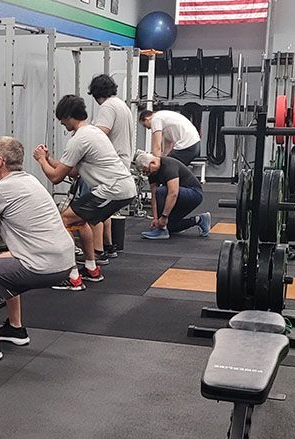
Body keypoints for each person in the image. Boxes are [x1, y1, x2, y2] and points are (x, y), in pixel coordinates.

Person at [0, 137, 75, 361]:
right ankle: (15, 328)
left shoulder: (1, 189)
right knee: (4, 258)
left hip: (42, 266)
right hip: (65, 263)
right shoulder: (28, 180)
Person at [33, 95, 137, 290]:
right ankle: (91, 269)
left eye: (62, 120)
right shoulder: (93, 132)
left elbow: (55, 177)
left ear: (68, 116)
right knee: (79, 221)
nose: (62, 124)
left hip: (112, 190)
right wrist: (49, 159)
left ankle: (72, 276)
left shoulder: (79, 139)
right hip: (120, 188)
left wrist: (40, 160)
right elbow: (71, 171)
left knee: (63, 220)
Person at [88, 74, 135, 259]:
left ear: (97, 94)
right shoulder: (122, 105)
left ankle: (98, 252)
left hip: (111, 165)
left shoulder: (107, 106)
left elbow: (98, 136)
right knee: (107, 208)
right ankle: (108, 245)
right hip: (122, 162)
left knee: (95, 208)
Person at [135, 151, 210, 240]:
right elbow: (154, 197)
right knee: (170, 226)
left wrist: (164, 216)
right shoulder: (152, 172)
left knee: (162, 191)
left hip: (194, 194)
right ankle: (199, 219)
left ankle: (162, 230)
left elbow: (173, 193)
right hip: (181, 195)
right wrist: (155, 218)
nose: (147, 174)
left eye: (146, 171)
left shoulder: (168, 166)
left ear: (153, 163)